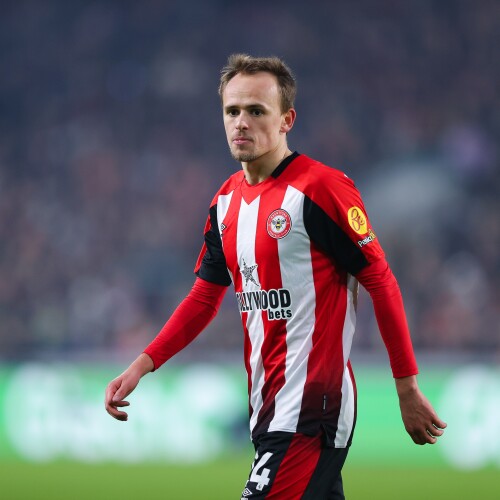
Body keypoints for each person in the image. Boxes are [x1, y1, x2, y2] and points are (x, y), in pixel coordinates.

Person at [105, 54, 446, 499]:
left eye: (256, 111)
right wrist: (142, 364)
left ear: (287, 120)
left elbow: (380, 280)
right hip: (267, 407)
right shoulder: (225, 203)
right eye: (232, 111)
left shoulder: (321, 188)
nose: (241, 123)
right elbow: (204, 299)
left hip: (311, 409)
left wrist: (407, 387)